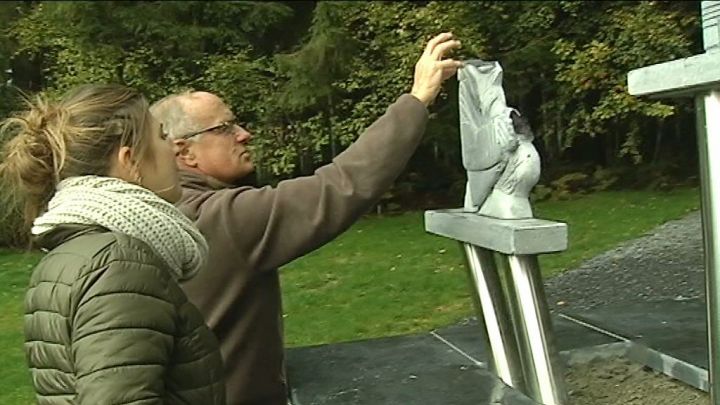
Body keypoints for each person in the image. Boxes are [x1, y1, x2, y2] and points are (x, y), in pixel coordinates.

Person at [150, 32, 463, 404]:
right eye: (224, 128)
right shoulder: (218, 219)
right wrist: (417, 99)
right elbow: (342, 185)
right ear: (184, 152)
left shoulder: (160, 212)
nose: (244, 134)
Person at [0, 84, 226, 404]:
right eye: (161, 136)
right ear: (129, 160)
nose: (174, 148)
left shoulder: (73, 253)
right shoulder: (118, 264)